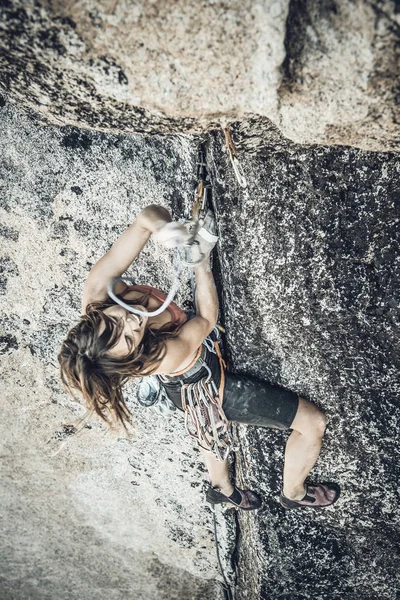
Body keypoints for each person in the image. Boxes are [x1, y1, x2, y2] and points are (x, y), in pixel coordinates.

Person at [58, 204, 340, 510]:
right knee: (311, 422)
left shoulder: (98, 291)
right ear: (132, 356)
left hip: (191, 373)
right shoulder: (158, 355)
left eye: (116, 321)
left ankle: (221, 489)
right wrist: (201, 262)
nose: (134, 321)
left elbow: (145, 219)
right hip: (197, 383)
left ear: (95, 316)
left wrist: (165, 229)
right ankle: (294, 493)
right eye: (130, 338)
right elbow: (205, 320)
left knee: (209, 428)